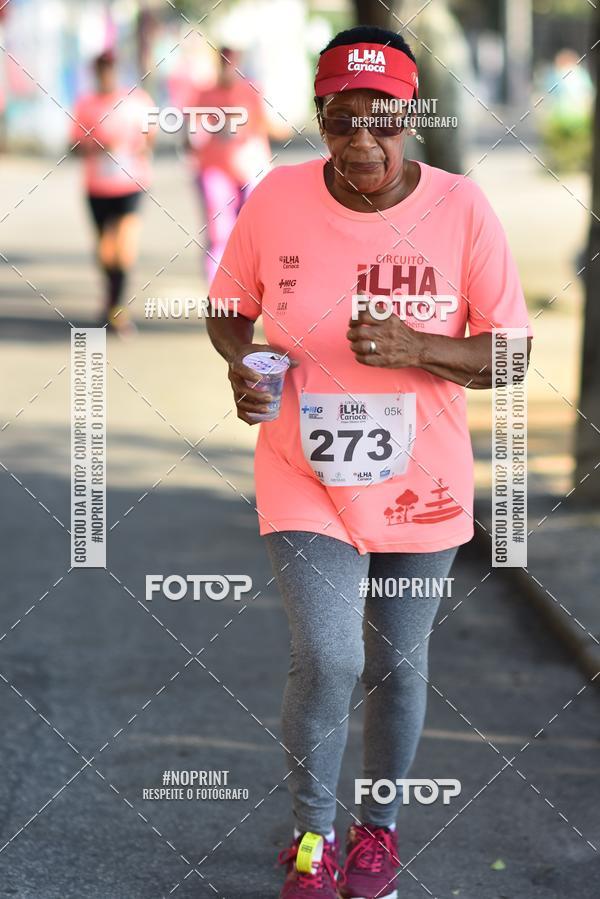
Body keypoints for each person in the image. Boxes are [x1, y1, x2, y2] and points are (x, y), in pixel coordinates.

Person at [206, 25, 533, 899]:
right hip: (303, 469)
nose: (362, 140)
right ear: (319, 117)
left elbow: (511, 357)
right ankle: (312, 833)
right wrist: (241, 362)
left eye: (381, 119)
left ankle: (377, 832)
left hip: (421, 481)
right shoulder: (274, 198)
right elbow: (228, 306)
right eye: (342, 119)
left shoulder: (463, 209)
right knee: (330, 654)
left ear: (411, 116)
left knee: (397, 662)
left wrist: (420, 346)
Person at [71, 50, 156, 334]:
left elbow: (151, 133)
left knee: (124, 247)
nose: (106, 76)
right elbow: (74, 144)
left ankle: (118, 309)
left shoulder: (135, 101)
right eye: (101, 71)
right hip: (97, 187)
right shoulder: (86, 105)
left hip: (130, 184)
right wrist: (97, 147)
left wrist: (138, 146)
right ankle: (110, 299)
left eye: (110, 70)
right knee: (106, 252)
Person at [186, 46, 285, 284]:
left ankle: (251, 286)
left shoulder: (251, 92)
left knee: (252, 234)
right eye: (223, 62)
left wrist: (246, 131)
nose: (228, 67)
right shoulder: (204, 94)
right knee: (219, 233)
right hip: (215, 170)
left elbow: (270, 126)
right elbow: (191, 131)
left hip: (251, 171)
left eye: (231, 62)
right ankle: (218, 291)